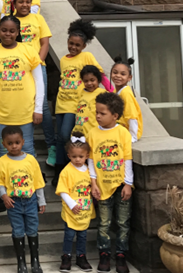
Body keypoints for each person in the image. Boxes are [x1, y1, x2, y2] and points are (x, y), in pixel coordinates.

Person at [0, 16, 44, 157]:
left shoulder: (29, 51)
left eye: (12, 31)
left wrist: (38, 108)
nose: (7, 34)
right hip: (0, 113)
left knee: (27, 149)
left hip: (25, 112)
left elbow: (39, 81)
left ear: (17, 32)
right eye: (4, 30)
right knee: (3, 151)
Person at [88, 92, 134, 273]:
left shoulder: (122, 132)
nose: (98, 116)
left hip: (120, 185)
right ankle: (104, 254)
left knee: (123, 222)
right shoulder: (92, 133)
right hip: (102, 186)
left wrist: (128, 184)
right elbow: (91, 160)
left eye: (102, 113)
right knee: (104, 223)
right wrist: (93, 184)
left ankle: (121, 255)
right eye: (97, 112)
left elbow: (128, 159)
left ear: (115, 115)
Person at [0, 126, 46, 273]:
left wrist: (40, 200)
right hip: (13, 202)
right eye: (10, 143)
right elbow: (0, 182)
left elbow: (38, 181)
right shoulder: (2, 161)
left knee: (32, 230)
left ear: (23, 142)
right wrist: (4, 197)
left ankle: (35, 261)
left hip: (30, 201)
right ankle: (21, 262)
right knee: (18, 231)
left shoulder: (31, 160)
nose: (14, 146)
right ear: (4, 144)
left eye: (17, 142)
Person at [11, 0, 56, 166]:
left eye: (27, 2)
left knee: (42, 106)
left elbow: (45, 43)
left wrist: (37, 63)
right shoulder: (10, 20)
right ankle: (25, 144)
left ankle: (51, 146)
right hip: (17, 69)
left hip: (37, 67)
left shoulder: (38, 19)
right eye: (20, 2)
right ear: (14, 3)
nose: (24, 5)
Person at [56, 19, 107, 167]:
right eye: (71, 43)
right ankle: (61, 168)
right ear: (67, 41)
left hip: (75, 104)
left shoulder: (87, 56)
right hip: (61, 103)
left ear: (83, 46)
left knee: (67, 135)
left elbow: (99, 73)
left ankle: (72, 164)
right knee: (60, 137)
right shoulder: (63, 60)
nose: (73, 47)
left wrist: (110, 91)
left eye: (77, 45)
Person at [56, 134, 95, 273]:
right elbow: (62, 190)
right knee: (69, 235)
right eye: (74, 157)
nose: (77, 160)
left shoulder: (90, 171)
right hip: (71, 211)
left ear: (87, 156)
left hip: (84, 210)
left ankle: (81, 256)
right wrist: (72, 204)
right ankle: (66, 256)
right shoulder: (66, 172)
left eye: (81, 156)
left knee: (83, 235)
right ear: (68, 156)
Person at [109, 57, 144, 143]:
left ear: (129, 77)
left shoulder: (126, 93)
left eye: (123, 74)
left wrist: (133, 137)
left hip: (127, 132)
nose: (118, 76)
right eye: (115, 72)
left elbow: (131, 116)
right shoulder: (115, 92)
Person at [74, 66, 106, 136]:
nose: (89, 83)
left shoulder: (102, 94)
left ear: (98, 80)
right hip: (79, 134)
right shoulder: (82, 93)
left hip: (94, 134)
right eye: (86, 81)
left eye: (92, 80)